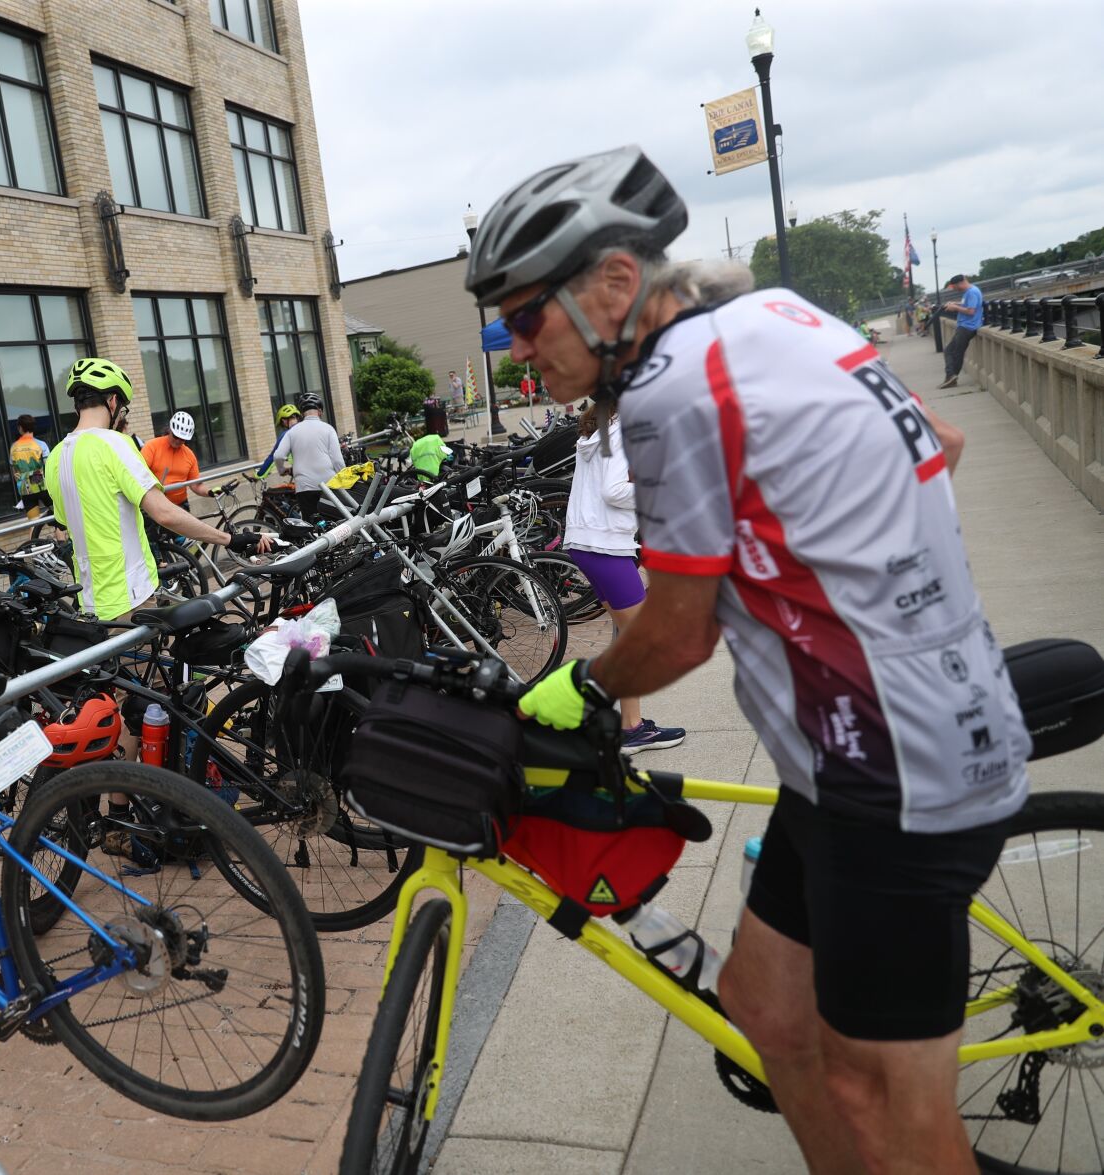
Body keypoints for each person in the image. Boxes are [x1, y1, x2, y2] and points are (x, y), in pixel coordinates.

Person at [466, 145, 1022, 1174]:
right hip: (853, 749)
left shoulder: (671, 390)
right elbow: (940, 440)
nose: (513, 350)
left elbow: (679, 632)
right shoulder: (776, 316)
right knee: (762, 1002)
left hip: (893, 768)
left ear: (615, 285)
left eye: (523, 317)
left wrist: (579, 685)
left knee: (884, 1093)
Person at [46, 358, 271, 622]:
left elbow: (64, 522)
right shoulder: (115, 444)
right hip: (130, 596)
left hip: (89, 600)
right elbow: (163, 512)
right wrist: (230, 540)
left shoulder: (56, 456)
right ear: (114, 401)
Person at [561, 401, 685, 752]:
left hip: (588, 543)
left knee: (625, 636)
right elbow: (614, 490)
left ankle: (622, 724)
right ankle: (626, 727)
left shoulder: (602, 428)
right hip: (604, 545)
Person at [266, 391, 346, 519]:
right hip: (329, 484)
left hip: (305, 486)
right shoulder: (328, 429)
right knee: (335, 525)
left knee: (311, 525)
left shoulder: (292, 432)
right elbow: (337, 460)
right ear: (320, 411)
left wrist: (282, 470)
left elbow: (278, 455)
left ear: (302, 413)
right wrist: (345, 481)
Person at [138, 411, 213, 512]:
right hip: (155, 506)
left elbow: (195, 485)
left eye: (182, 439)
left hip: (180, 506)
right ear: (170, 430)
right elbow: (139, 475)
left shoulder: (189, 455)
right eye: (175, 436)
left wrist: (210, 492)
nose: (178, 441)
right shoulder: (152, 446)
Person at [939, 274, 985, 388]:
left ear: (960, 283)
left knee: (952, 352)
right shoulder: (969, 292)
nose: (955, 289)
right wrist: (955, 303)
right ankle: (951, 377)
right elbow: (967, 305)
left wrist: (955, 308)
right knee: (954, 351)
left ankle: (951, 376)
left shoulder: (972, 292)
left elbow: (970, 311)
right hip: (965, 326)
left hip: (967, 327)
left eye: (955, 287)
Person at [10, 415, 52, 518]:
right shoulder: (41, 445)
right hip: (42, 486)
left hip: (25, 489)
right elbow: (49, 467)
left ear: (20, 428)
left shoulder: (14, 447)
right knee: (58, 517)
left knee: (33, 521)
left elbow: (14, 471)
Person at [252, 403, 302, 479]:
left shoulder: (287, 434)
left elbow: (273, 457)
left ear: (284, 420)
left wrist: (259, 475)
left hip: (306, 479)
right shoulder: (310, 427)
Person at [408, 400, 453, 483]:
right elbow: (446, 455)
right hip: (435, 475)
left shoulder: (416, 446)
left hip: (421, 479)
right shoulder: (436, 439)